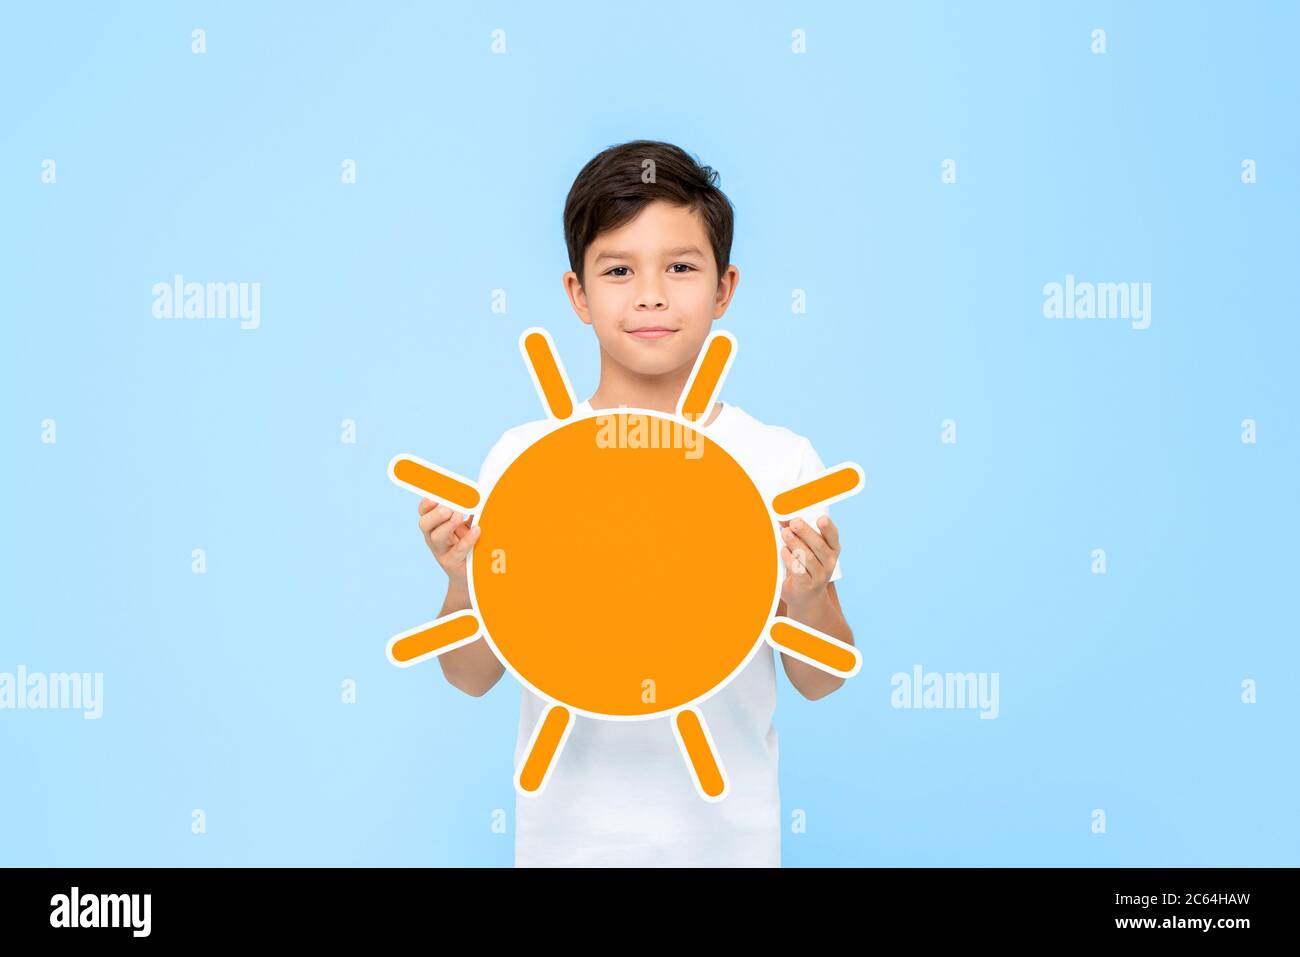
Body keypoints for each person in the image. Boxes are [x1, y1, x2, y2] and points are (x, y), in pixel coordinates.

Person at [416, 140, 855, 867]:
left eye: (681, 267)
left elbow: (822, 676)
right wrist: (464, 578)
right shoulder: (525, 460)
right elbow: (469, 674)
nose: (651, 294)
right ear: (577, 294)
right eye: (618, 270)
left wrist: (805, 596)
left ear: (724, 287)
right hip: (564, 848)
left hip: (730, 848)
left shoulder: (778, 463)